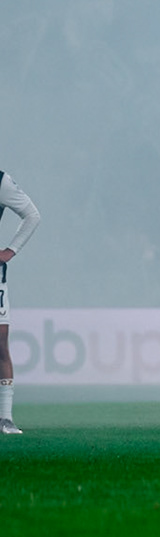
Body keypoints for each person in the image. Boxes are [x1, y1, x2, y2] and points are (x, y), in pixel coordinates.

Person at [0, 168, 42, 435]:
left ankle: (5, 418)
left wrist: (10, 250)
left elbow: (32, 215)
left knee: (0, 344)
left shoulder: (1, 181)